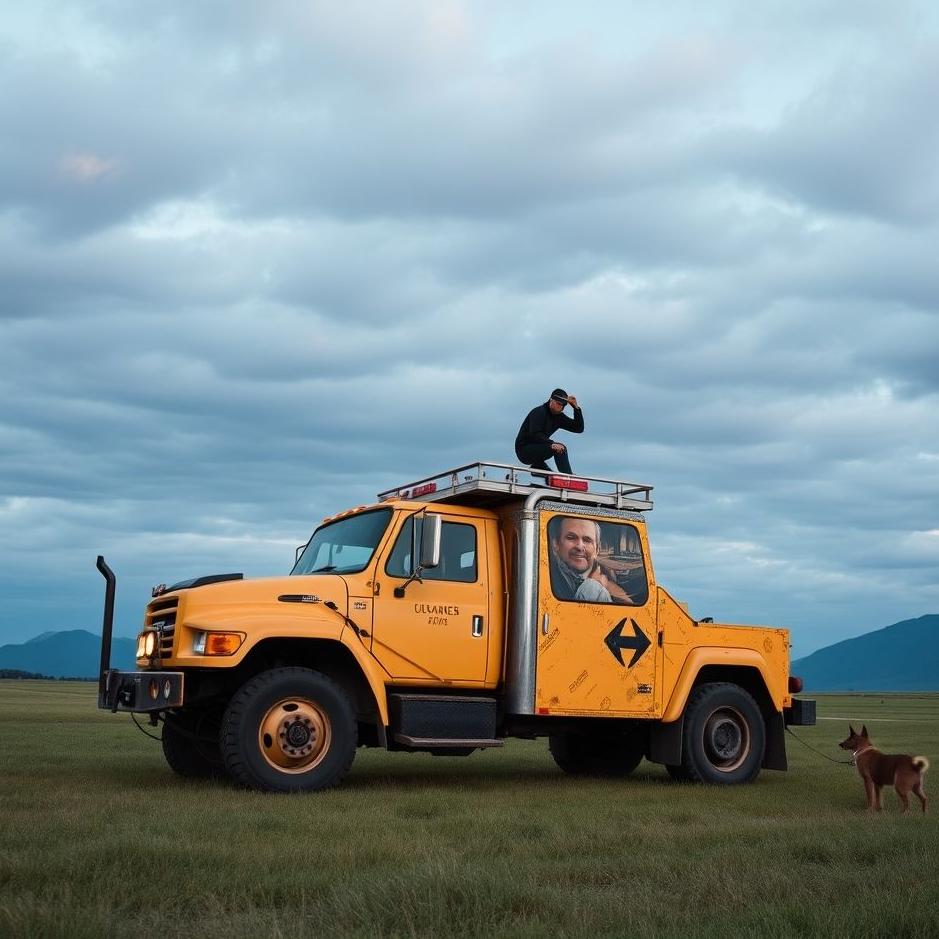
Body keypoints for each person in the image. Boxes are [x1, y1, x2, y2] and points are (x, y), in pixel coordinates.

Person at [548, 516, 630, 604]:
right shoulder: (546, 576)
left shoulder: (606, 574)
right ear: (556, 544)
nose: (579, 546)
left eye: (587, 540)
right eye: (571, 538)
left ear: (597, 549)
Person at [515, 388, 584, 475]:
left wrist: (576, 408)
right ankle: (567, 476)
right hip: (524, 450)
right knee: (559, 448)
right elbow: (535, 434)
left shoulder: (559, 417)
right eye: (558, 404)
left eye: (563, 406)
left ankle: (539, 467)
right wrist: (551, 444)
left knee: (560, 449)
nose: (561, 407)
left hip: (539, 449)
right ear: (551, 400)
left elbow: (578, 428)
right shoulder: (539, 412)